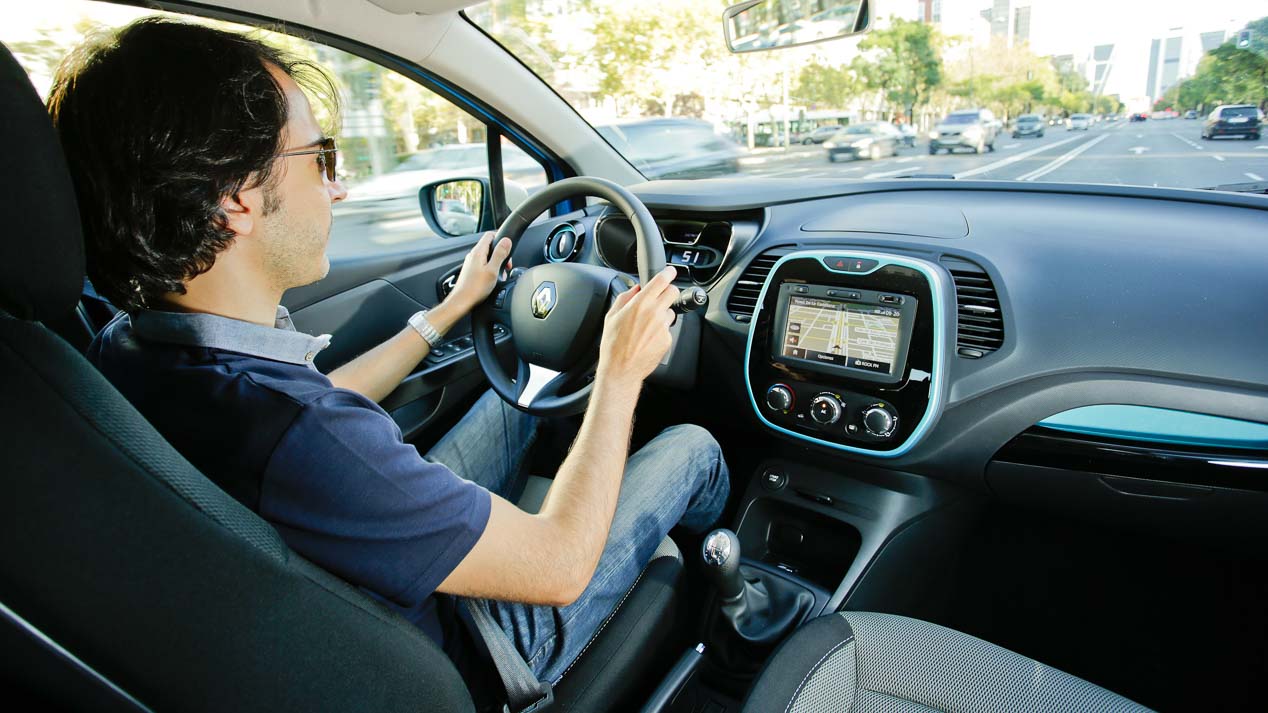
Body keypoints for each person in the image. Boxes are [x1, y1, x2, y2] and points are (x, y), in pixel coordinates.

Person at [48, 18, 728, 688]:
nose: (337, 187)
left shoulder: (129, 348)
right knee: (694, 445)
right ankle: (725, 597)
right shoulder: (305, 436)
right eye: (320, 159)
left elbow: (327, 399)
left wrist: (452, 309)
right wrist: (619, 369)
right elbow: (560, 566)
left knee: (517, 399)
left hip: (362, 587)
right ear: (235, 199)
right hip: (478, 650)